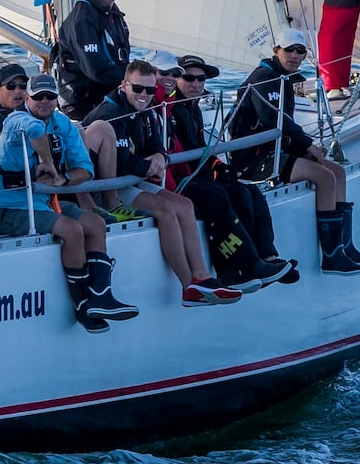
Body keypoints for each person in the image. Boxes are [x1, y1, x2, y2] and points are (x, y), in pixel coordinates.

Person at [80, 61, 247, 304]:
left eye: (150, 90)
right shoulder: (109, 114)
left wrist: (159, 157)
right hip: (107, 186)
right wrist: (149, 166)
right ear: (124, 85)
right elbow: (120, 161)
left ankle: (202, 278)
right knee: (166, 210)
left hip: (131, 180)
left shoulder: (146, 108)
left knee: (185, 205)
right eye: (138, 89)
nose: (144, 96)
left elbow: (157, 143)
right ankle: (188, 284)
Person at [0, 74, 137, 333]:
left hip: (43, 202)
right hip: (6, 207)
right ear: (27, 99)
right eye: (38, 96)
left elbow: (85, 170)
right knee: (71, 229)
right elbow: (34, 131)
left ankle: (101, 297)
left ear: (57, 99)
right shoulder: (15, 119)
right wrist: (48, 164)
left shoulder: (63, 124)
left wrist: (62, 179)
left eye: (50, 96)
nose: (44, 101)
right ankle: (82, 308)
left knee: (95, 223)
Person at [227, 29, 360, 274]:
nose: (295, 56)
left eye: (300, 51)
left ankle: (344, 246)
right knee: (324, 176)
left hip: (274, 151)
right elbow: (273, 120)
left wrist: (303, 148)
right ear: (276, 50)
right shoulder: (264, 78)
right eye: (289, 50)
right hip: (254, 159)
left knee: (337, 171)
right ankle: (331, 257)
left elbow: (282, 126)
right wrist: (306, 145)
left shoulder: (283, 77)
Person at [165, 55, 295, 286]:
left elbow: (199, 149)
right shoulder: (172, 110)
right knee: (221, 196)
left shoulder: (191, 108)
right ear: (176, 79)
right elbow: (182, 155)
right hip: (179, 178)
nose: (196, 84)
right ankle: (237, 267)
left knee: (249, 191)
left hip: (194, 172)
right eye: (189, 78)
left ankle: (267, 255)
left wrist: (218, 165)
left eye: (201, 79)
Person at [54, 0, 131, 118]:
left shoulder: (112, 13)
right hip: (82, 103)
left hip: (107, 93)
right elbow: (96, 70)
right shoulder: (82, 18)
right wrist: (130, 82)